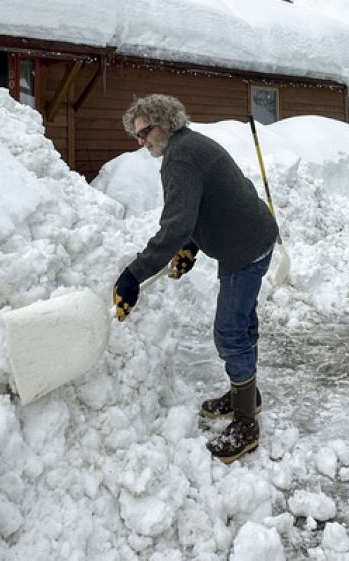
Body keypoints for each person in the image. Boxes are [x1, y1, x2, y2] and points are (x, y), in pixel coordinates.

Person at [111, 94, 279, 463]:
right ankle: (246, 394)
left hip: (244, 249)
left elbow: (175, 224)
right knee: (243, 324)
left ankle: (247, 423)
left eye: (145, 133)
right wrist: (191, 246)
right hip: (255, 237)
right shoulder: (190, 145)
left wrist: (134, 275)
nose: (141, 143)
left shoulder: (180, 158)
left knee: (230, 332)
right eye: (136, 137)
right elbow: (201, 207)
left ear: (165, 123)